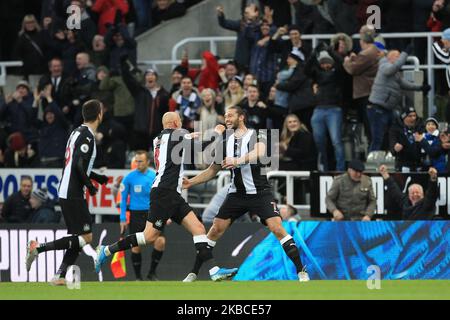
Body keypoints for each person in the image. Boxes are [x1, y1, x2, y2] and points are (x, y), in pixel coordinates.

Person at [95, 112, 238, 281]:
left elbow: (175, 146)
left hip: (171, 192)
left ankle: (214, 270)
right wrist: (217, 132)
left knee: (198, 228)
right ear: (175, 122)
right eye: (180, 121)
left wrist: (188, 137)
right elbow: (200, 149)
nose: (182, 123)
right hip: (164, 191)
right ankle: (106, 250)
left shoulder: (158, 139)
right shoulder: (178, 134)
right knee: (149, 237)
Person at [182, 106, 310, 282]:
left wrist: (237, 160)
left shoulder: (257, 134)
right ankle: (193, 273)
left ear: (241, 117)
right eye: (225, 116)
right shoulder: (225, 140)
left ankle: (301, 271)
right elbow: (213, 170)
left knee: (277, 228)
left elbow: (260, 152)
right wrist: (191, 182)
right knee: (215, 230)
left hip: (260, 193)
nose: (226, 119)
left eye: (230, 116)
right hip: (236, 194)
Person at [25, 99, 109, 285]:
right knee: (86, 237)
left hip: (66, 190)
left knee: (78, 238)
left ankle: (60, 275)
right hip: (73, 192)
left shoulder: (76, 132)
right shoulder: (87, 136)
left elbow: (76, 164)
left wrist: (96, 177)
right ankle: (38, 248)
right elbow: (79, 165)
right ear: (99, 115)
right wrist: (90, 184)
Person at [367, 47, 430, 152]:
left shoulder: (395, 73)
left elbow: (404, 84)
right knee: (377, 138)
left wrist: (420, 88)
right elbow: (393, 68)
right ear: (390, 57)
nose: (400, 59)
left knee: (392, 134)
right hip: (378, 109)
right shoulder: (384, 65)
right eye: (398, 56)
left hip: (387, 109)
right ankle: (372, 163)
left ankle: (388, 158)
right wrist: (405, 53)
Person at [119, 151, 166, 281]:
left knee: (160, 241)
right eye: (136, 161)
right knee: (136, 245)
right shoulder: (129, 178)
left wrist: (167, 214)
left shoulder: (155, 176)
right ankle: (138, 277)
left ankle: (151, 273)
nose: (138, 164)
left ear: (147, 162)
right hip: (136, 214)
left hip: (153, 213)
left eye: (140, 161)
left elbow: (163, 196)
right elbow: (123, 199)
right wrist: (122, 218)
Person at [389, 106, 426, 172]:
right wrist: (395, 148)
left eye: (414, 116)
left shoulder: (421, 127)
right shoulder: (395, 129)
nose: (413, 118)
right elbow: (392, 146)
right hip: (403, 164)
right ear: (404, 117)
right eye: (410, 116)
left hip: (419, 164)